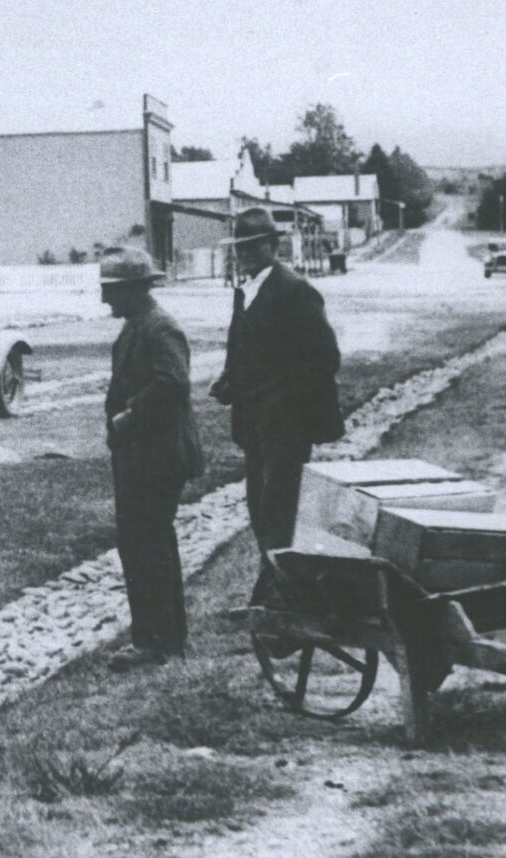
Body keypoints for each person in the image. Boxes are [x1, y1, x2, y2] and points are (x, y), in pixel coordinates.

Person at [210, 207, 345, 613]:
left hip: (285, 427)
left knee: (280, 510)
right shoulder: (246, 291)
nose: (246, 254)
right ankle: (278, 589)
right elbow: (245, 352)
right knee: (259, 509)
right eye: (241, 248)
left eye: (254, 246)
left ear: (274, 245)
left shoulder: (294, 290)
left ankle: (283, 596)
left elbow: (325, 358)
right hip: (253, 425)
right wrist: (230, 380)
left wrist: (281, 400)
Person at [100, 247, 204, 670]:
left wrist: (127, 418)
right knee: (143, 545)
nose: (105, 300)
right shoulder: (139, 325)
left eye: (111, 291)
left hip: (156, 458)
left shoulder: (159, 329)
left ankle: (159, 640)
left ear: (133, 290)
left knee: (149, 546)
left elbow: (172, 385)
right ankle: (157, 635)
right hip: (143, 457)